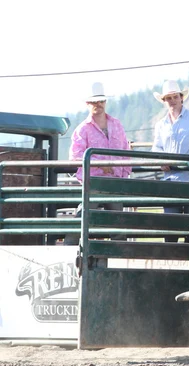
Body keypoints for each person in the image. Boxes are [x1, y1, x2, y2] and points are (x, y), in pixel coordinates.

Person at [65, 82, 131, 245]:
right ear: (88, 104)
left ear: (105, 103)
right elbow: (76, 156)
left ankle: (118, 250)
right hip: (93, 181)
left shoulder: (117, 124)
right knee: (86, 215)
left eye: (100, 101)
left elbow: (125, 149)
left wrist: (124, 173)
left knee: (116, 219)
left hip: (115, 180)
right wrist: (100, 165)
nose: (98, 104)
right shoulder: (82, 129)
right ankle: (70, 245)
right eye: (94, 102)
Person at [151, 80, 189, 243]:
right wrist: (161, 160)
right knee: (170, 223)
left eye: (174, 97)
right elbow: (156, 148)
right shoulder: (161, 125)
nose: (172, 101)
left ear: (181, 98)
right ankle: (172, 255)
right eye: (168, 98)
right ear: (164, 101)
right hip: (171, 180)